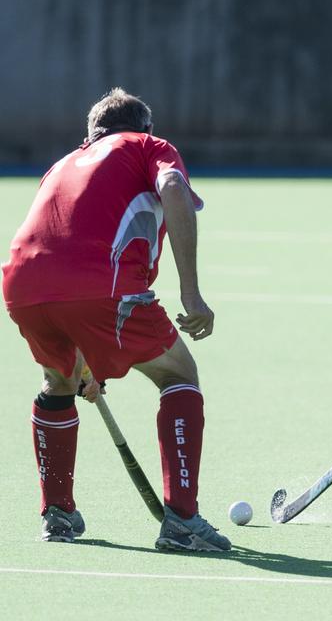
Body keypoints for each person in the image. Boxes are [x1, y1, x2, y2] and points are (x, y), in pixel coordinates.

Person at [2, 88, 230, 551]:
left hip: (22, 286)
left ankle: (58, 514)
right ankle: (183, 520)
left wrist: (87, 352)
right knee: (178, 374)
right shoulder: (149, 147)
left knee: (59, 383)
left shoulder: (62, 164)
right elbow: (173, 189)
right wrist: (191, 292)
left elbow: (65, 242)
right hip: (100, 287)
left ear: (91, 134)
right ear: (144, 128)